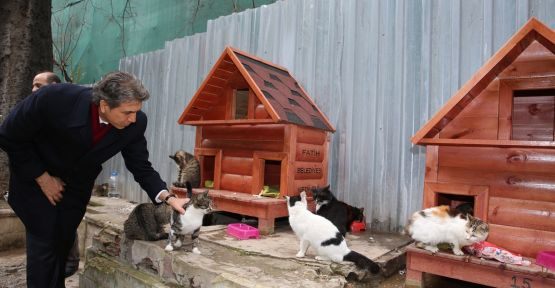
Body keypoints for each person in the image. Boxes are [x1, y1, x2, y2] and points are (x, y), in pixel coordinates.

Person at [0, 71, 188, 288]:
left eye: (136, 112)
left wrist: (168, 197)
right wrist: (43, 178)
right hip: (34, 177)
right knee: (44, 242)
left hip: (76, 188)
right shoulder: (53, 98)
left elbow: (141, 167)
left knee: (60, 244)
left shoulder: (135, 124)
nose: (133, 119)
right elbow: (8, 134)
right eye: (127, 112)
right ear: (104, 105)